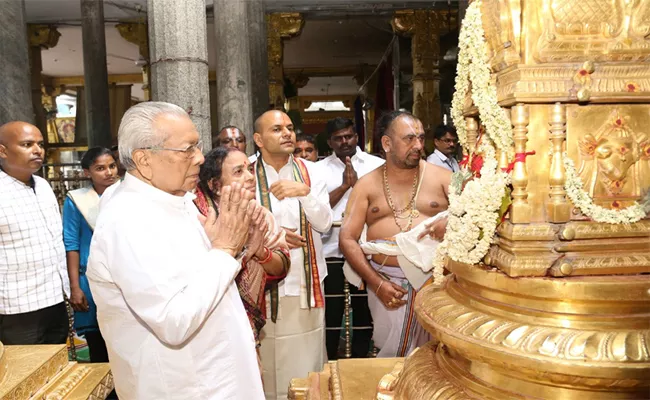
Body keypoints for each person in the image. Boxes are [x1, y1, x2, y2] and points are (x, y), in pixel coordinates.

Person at [87, 102, 265, 399]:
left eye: (198, 147)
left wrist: (214, 246)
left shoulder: (173, 197)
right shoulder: (127, 219)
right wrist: (223, 250)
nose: (199, 158)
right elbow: (173, 320)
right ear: (144, 159)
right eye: (188, 149)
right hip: (186, 386)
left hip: (221, 376)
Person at [339, 111, 451, 358]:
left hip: (436, 284)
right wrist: (377, 284)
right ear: (387, 143)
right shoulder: (366, 185)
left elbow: (476, 217)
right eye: (409, 139)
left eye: (421, 138)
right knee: (392, 358)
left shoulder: (442, 178)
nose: (418, 146)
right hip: (387, 283)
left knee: (437, 357)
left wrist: (452, 221)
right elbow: (347, 238)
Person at [252, 110, 333, 400]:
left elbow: (324, 224)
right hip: (259, 287)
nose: (287, 133)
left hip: (304, 285)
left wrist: (304, 193)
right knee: (263, 364)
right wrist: (271, 235)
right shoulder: (244, 172)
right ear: (258, 139)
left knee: (304, 362)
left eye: (289, 127)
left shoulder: (314, 171)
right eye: (277, 129)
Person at [194, 147, 290, 352]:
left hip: (247, 329)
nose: (250, 177)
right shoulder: (200, 219)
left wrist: (260, 252)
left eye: (249, 170)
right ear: (215, 186)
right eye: (238, 172)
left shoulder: (262, 216)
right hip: (205, 329)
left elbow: (282, 265)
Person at [316, 117, 384, 359]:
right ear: (330, 142)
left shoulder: (377, 165)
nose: (344, 142)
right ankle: (330, 360)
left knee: (364, 309)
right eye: (338, 138)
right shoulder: (318, 170)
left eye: (348, 136)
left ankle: (360, 358)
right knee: (332, 311)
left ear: (357, 136)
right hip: (331, 249)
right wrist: (346, 186)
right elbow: (318, 209)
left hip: (367, 250)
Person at [0, 121, 70, 345]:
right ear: (2, 150)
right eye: (27, 144)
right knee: (26, 374)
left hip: (54, 297)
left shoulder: (43, 186)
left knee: (58, 368)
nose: (37, 150)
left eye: (40, 144)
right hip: (17, 306)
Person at [63, 147, 117, 363]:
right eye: (100, 168)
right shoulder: (76, 201)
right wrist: (75, 287)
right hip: (91, 279)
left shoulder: (127, 194)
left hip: (125, 275)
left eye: (112, 166)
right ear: (87, 173)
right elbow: (71, 244)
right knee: (99, 347)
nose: (109, 173)